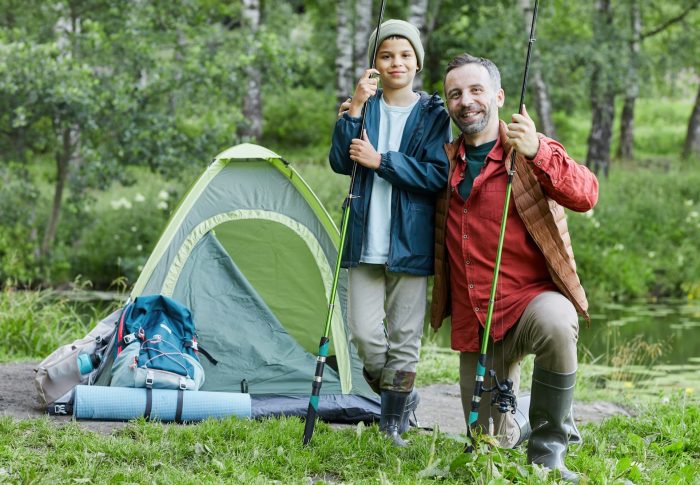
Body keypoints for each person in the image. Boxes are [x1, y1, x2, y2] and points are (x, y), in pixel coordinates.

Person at [431, 53, 598, 481]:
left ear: (499, 96)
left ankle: (548, 450)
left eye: (475, 90)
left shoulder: (528, 147)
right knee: (487, 443)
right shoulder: (444, 161)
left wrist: (539, 150)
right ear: (448, 104)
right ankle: (522, 421)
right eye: (455, 94)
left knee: (559, 322)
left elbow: (586, 194)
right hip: (478, 322)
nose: (465, 101)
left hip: (528, 305)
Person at [329, 19, 450, 446]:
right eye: (386, 55)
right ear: (375, 63)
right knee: (364, 332)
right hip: (364, 238)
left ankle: (392, 422)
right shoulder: (364, 105)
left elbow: (439, 174)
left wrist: (383, 162)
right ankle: (404, 394)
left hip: (411, 240)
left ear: (418, 62)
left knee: (404, 335)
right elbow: (341, 164)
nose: (396, 62)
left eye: (404, 55)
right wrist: (356, 110)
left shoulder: (434, 114)